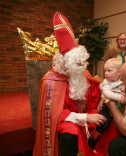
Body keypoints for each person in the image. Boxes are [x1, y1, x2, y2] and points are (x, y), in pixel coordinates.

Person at [33, 11, 118, 156]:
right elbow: (55, 115)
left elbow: (95, 88)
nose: (83, 66)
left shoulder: (79, 70)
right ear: (65, 63)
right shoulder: (50, 82)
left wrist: (102, 97)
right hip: (67, 119)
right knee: (69, 133)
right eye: (78, 63)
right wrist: (85, 118)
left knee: (108, 122)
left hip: (87, 113)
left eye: (83, 62)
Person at [88, 58, 126, 150]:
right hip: (107, 107)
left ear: (119, 72)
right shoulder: (106, 82)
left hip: (119, 107)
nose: (106, 73)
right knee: (104, 123)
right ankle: (93, 137)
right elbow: (107, 94)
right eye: (105, 70)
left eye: (109, 71)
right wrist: (120, 97)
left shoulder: (123, 80)